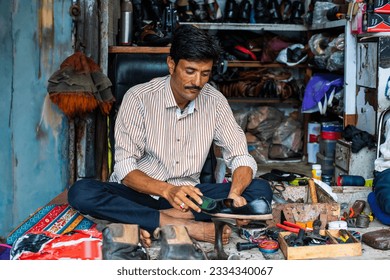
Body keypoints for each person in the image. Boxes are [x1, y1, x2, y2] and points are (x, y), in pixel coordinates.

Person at [68, 24, 273, 247]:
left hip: (191, 198)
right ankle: (177, 224)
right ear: (171, 64)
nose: (197, 82)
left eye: (205, 73)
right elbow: (125, 169)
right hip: (141, 193)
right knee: (82, 192)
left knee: (259, 189)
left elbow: (240, 156)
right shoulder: (138, 98)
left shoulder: (215, 101)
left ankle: (148, 220)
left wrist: (234, 194)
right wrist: (168, 191)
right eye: (190, 71)